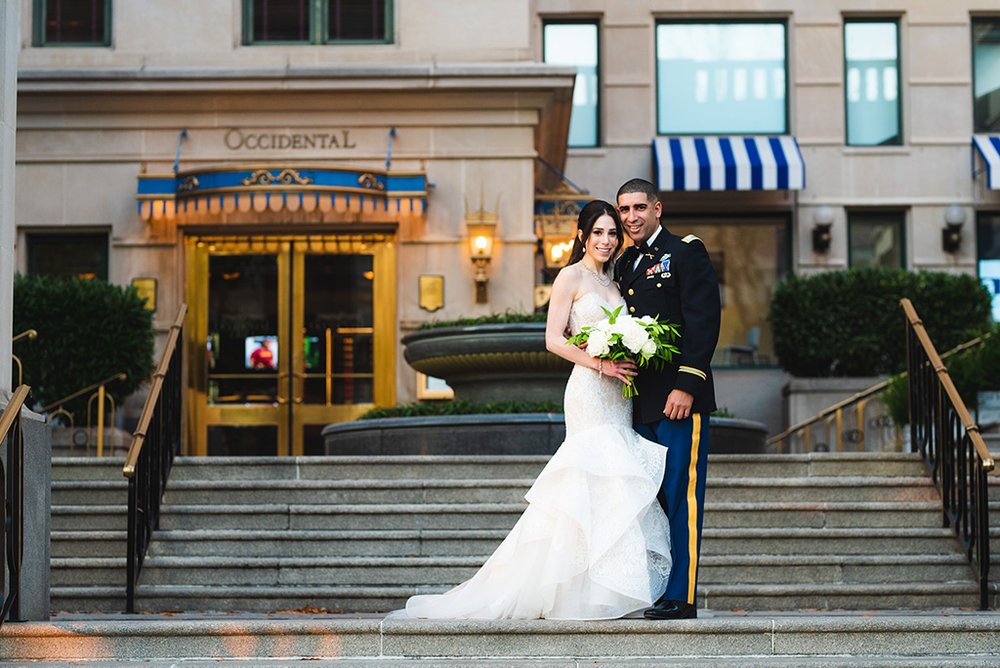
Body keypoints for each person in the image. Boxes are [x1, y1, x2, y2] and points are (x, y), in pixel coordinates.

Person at [399, 200, 672, 620]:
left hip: (620, 394)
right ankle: (556, 588)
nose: (606, 240)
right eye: (598, 232)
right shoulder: (570, 276)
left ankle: (604, 589)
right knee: (582, 481)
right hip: (589, 390)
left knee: (612, 485)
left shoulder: (618, 281)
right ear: (582, 236)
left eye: (612, 233)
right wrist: (601, 362)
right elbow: (553, 339)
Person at [614, 178, 721, 620]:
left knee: (682, 496)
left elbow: (704, 321)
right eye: (624, 210)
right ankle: (658, 588)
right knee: (653, 500)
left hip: (679, 400)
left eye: (640, 207)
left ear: (658, 208)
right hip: (639, 403)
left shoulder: (686, 252)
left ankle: (683, 596)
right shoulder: (622, 264)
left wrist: (687, 385)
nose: (632, 217)